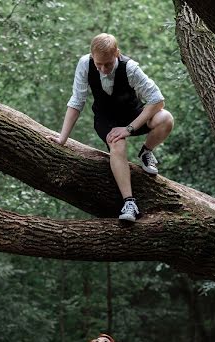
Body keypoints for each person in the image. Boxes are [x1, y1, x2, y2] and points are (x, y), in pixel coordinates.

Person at [55, 33, 174, 223]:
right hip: (106, 119)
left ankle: (146, 152)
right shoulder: (85, 64)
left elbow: (157, 100)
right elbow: (77, 101)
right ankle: (129, 203)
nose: (102, 69)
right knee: (117, 145)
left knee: (166, 118)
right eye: (98, 64)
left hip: (133, 115)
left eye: (108, 64)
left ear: (117, 54)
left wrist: (128, 128)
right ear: (92, 56)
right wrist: (62, 138)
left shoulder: (130, 68)